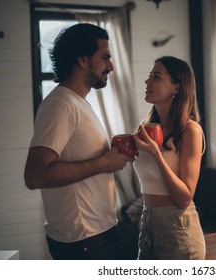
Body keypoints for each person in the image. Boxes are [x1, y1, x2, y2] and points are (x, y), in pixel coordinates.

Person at [24, 23, 135, 260]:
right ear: (83, 60)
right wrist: (102, 164)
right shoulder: (61, 104)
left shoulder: (78, 102)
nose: (111, 66)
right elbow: (35, 176)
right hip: (85, 241)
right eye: (105, 57)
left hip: (96, 234)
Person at [132, 56, 206, 259]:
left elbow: (184, 198)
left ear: (176, 88)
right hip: (147, 222)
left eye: (156, 77)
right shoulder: (145, 128)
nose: (147, 82)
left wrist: (156, 155)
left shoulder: (190, 130)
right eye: (149, 77)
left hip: (178, 226)